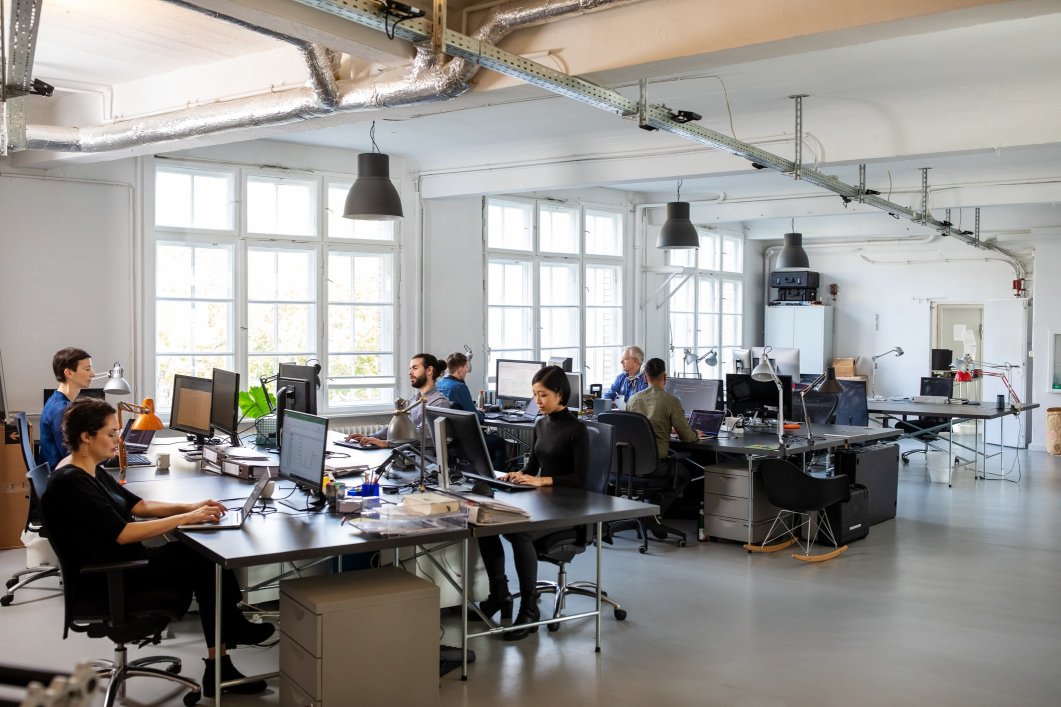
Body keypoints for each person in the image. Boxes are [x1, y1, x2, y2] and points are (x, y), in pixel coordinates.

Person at [43, 399, 273, 697]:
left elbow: (140, 505)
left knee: (201, 555)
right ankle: (226, 646)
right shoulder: (73, 481)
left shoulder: (88, 468)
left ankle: (226, 644)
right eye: (111, 434)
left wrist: (192, 506)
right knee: (204, 561)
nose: (118, 439)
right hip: (108, 578)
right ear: (86, 436)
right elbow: (124, 533)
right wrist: (188, 518)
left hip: (116, 562)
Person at [474, 366, 588, 640]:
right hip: (543, 503)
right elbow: (534, 465)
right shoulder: (540, 424)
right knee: (484, 518)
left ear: (560, 394)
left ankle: (529, 610)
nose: (537, 401)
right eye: (534, 395)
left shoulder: (577, 429)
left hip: (568, 509)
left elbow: (580, 479)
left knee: (519, 532)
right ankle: (499, 594)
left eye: (543, 395)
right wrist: (521, 475)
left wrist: (542, 481)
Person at [345, 353, 451, 448]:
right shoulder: (412, 401)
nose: (410, 372)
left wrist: (386, 443)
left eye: (415, 368)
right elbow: (396, 428)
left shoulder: (439, 403)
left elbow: (422, 435)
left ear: (429, 370)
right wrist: (369, 437)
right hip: (403, 453)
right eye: (410, 368)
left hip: (423, 459)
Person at [628, 357, 702, 459]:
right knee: (691, 471)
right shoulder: (671, 401)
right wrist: (696, 434)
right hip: (657, 462)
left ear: (645, 378)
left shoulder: (632, 400)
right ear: (664, 377)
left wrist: (669, 429)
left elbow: (641, 427)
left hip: (633, 462)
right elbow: (687, 437)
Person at [40, 347, 95, 470]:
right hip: (63, 480)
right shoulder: (61, 410)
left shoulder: (55, 400)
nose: (93, 374)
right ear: (69, 373)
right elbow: (74, 456)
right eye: (87, 369)